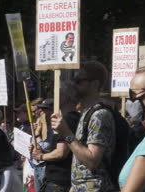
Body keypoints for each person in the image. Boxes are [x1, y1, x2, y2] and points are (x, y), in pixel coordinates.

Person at [51, 61, 116, 192]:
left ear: (95, 84)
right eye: (74, 79)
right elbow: (80, 161)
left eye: (79, 80)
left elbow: (92, 161)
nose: (74, 84)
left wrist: (66, 133)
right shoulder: (86, 113)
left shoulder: (100, 115)